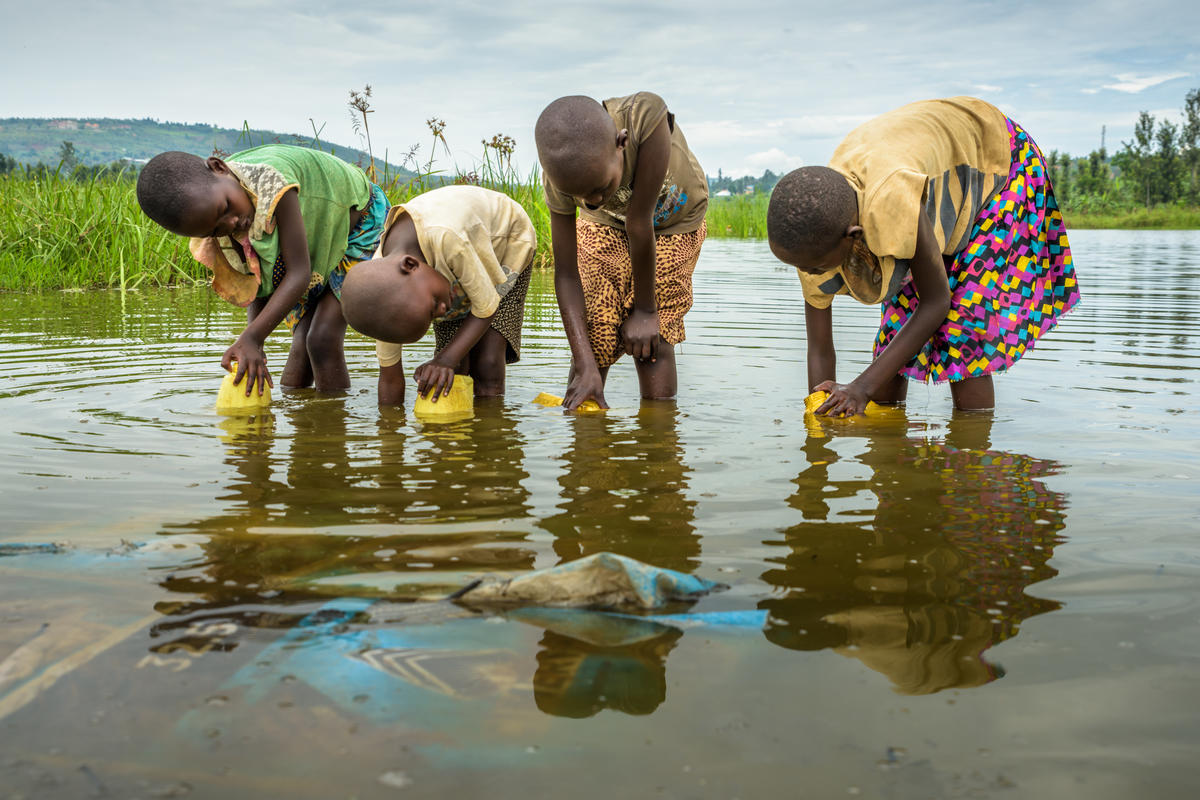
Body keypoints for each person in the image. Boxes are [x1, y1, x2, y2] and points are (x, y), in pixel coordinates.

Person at [767, 96, 1081, 414]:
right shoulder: (815, 230)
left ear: (854, 237)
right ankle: (892, 448)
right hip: (925, 172)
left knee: (963, 326)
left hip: (998, 159)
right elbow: (820, 348)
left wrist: (860, 388)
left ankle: (972, 455)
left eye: (816, 267)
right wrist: (820, 419)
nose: (810, 274)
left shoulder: (892, 200)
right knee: (894, 333)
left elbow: (936, 302)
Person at [136, 145, 388, 395]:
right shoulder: (221, 209)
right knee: (301, 342)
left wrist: (252, 338)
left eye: (225, 208)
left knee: (321, 338)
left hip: (360, 225)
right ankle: (299, 418)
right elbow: (256, 279)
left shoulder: (274, 184)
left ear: (218, 167)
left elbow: (299, 274)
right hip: (316, 238)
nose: (231, 223)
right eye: (215, 230)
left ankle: (331, 426)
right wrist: (254, 343)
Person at [534, 92, 708, 410]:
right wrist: (585, 362)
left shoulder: (645, 119)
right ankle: (586, 439)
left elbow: (639, 223)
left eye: (600, 188)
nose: (594, 200)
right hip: (606, 224)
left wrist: (644, 311)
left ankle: (657, 442)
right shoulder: (559, 181)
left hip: (675, 219)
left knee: (652, 336)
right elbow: (567, 274)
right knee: (593, 328)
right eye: (581, 196)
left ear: (620, 143)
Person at [339, 184, 537, 405]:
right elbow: (390, 379)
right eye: (432, 317)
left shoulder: (448, 237)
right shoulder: (383, 298)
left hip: (506, 244)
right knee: (449, 373)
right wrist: (390, 430)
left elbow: (487, 307)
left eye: (433, 307)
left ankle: (491, 431)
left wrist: (446, 359)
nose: (444, 311)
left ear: (411, 265)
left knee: (486, 363)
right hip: (450, 271)